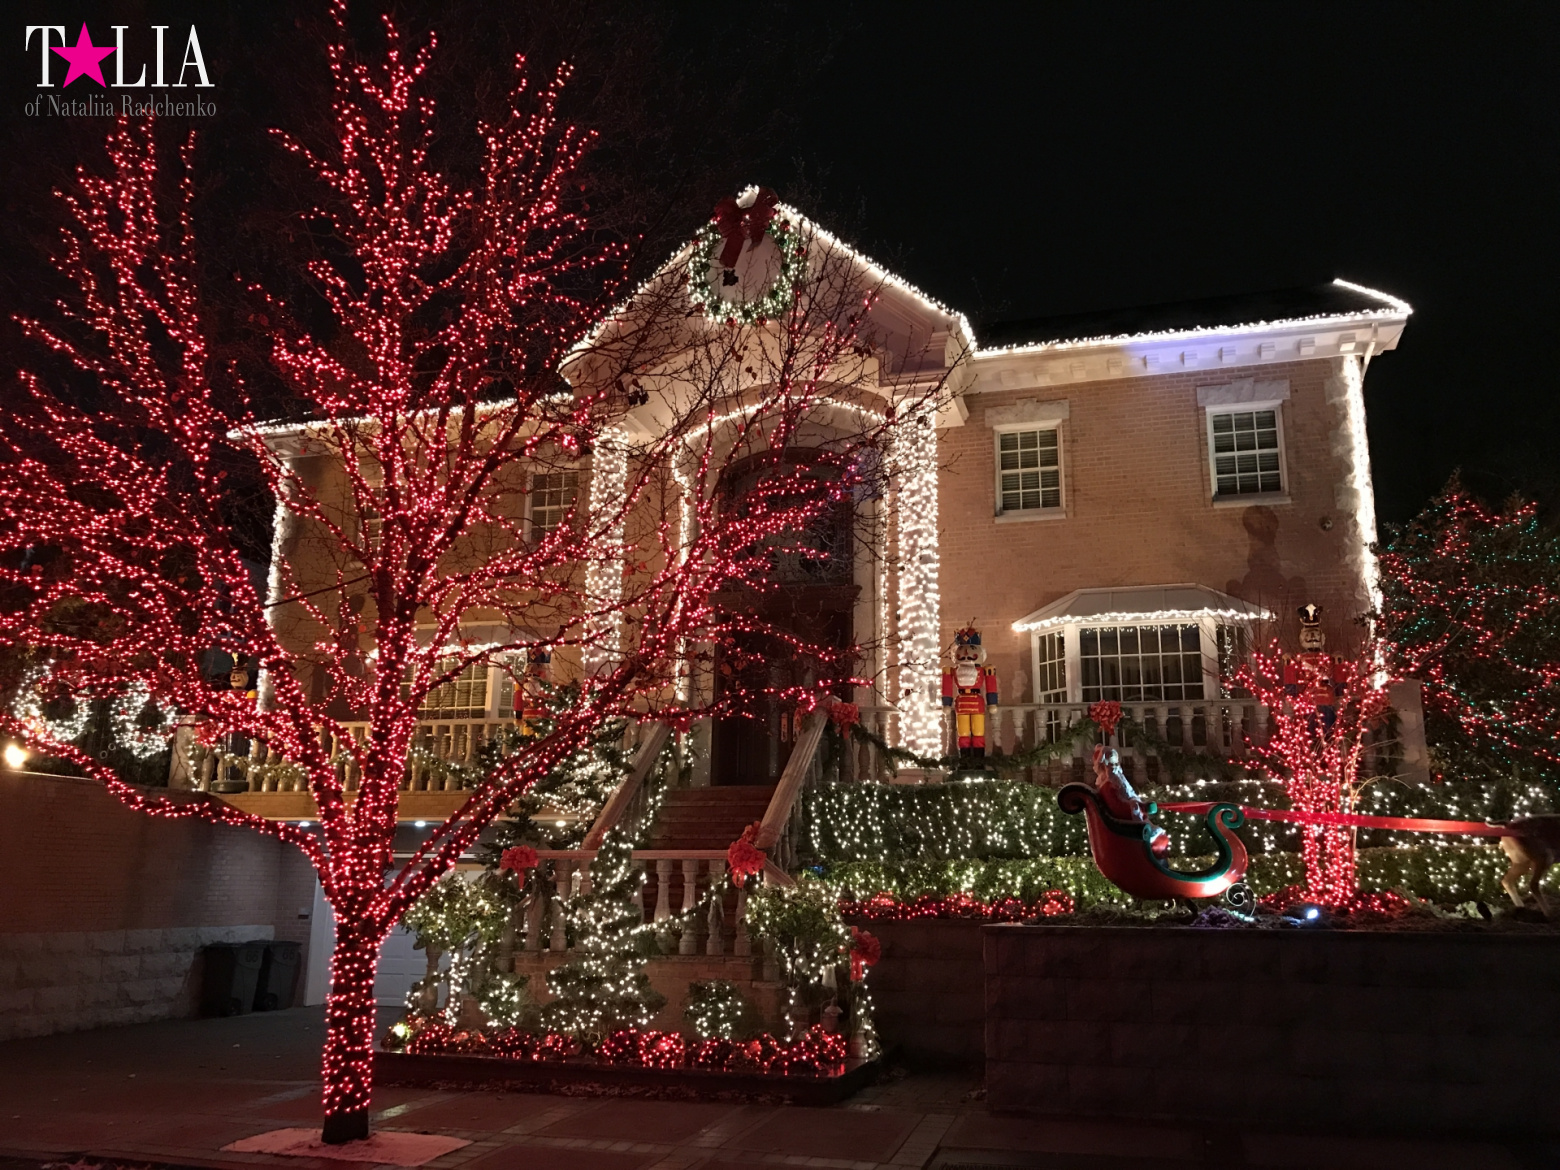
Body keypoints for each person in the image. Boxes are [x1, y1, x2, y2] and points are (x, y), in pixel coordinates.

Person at [1091, 743, 1169, 857]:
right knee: (1139, 812)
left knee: (1149, 823)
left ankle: (1149, 832)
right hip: (1130, 811)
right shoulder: (1109, 781)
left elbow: (1127, 792)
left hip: (1133, 805)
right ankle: (1143, 831)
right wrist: (1137, 805)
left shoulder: (1115, 776)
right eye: (1111, 763)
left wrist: (1140, 804)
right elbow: (1118, 802)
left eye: (1115, 763)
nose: (1114, 766)